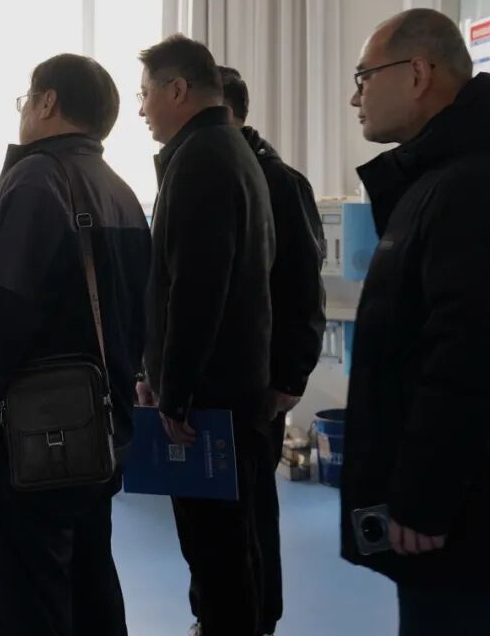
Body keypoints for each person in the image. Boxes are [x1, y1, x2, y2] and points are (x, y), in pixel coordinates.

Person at [341, 8, 490, 636]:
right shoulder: (446, 177)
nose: (355, 97)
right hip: (464, 504)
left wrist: (424, 500)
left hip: (462, 512)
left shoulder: (473, 186)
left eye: (364, 76)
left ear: (417, 74)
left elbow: (475, 361)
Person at [0, 54, 151, 636]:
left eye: (27, 99)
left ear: (48, 102)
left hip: (29, 443)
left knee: (29, 602)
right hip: (97, 435)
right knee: (90, 588)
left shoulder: (38, 181)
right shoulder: (120, 191)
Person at [136, 34, 276, 636]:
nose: (142, 110)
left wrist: (176, 393)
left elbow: (196, 290)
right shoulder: (228, 149)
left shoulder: (201, 160)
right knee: (228, 551)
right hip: (231, 388)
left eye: (146, 94)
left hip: (208, 402)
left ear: (177, 90)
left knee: (216, 554)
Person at [218, 65, 327, 634]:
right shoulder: (206, 171)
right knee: (219, 514)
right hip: (222, 379)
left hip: (260, 380)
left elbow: (303, 287)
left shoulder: (278, 181)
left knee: (252, 507)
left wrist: (290, 377)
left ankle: (259, 618)